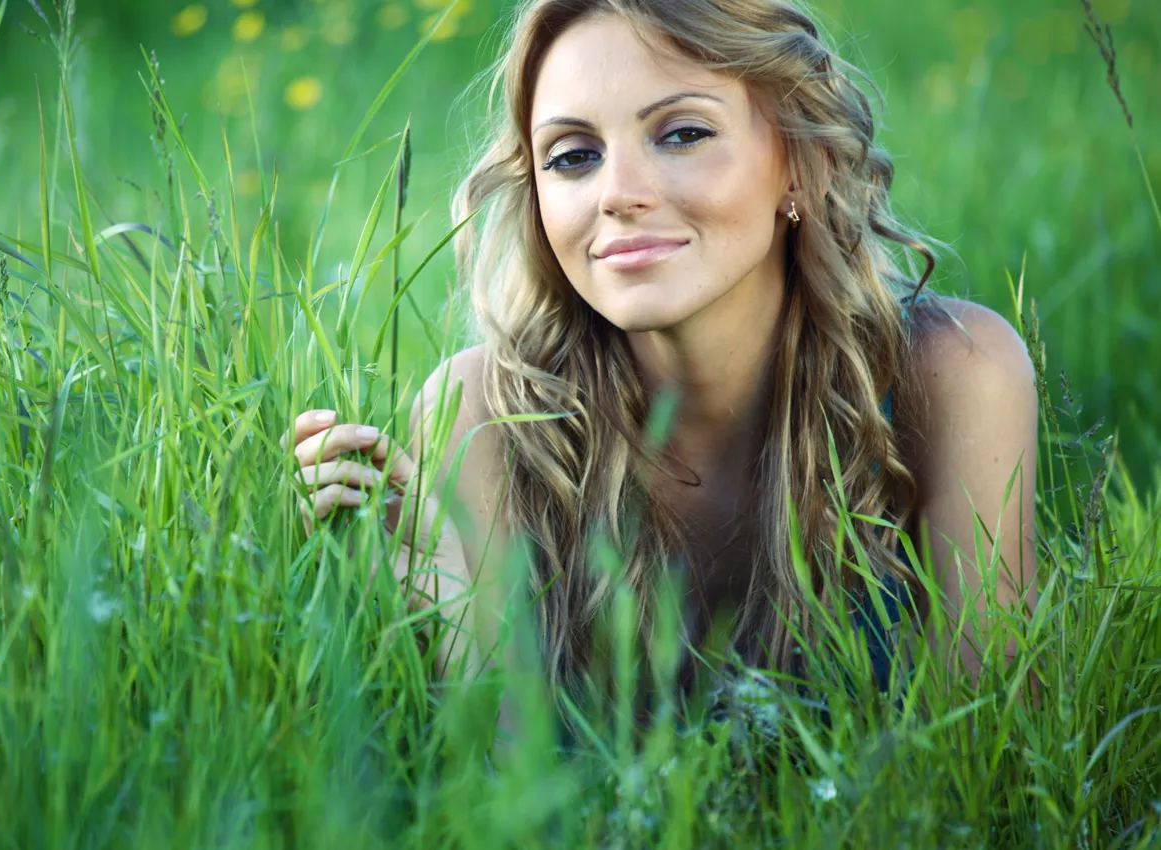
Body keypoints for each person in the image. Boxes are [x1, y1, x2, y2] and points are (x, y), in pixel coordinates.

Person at [286, 0, 1041, 730]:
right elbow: (507, 788)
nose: (618, 195)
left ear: (798, 163)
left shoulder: (951, 377)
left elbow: (984, 766)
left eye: (681, 134)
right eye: (574, 156)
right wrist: (444, 598)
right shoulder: (492, 413)